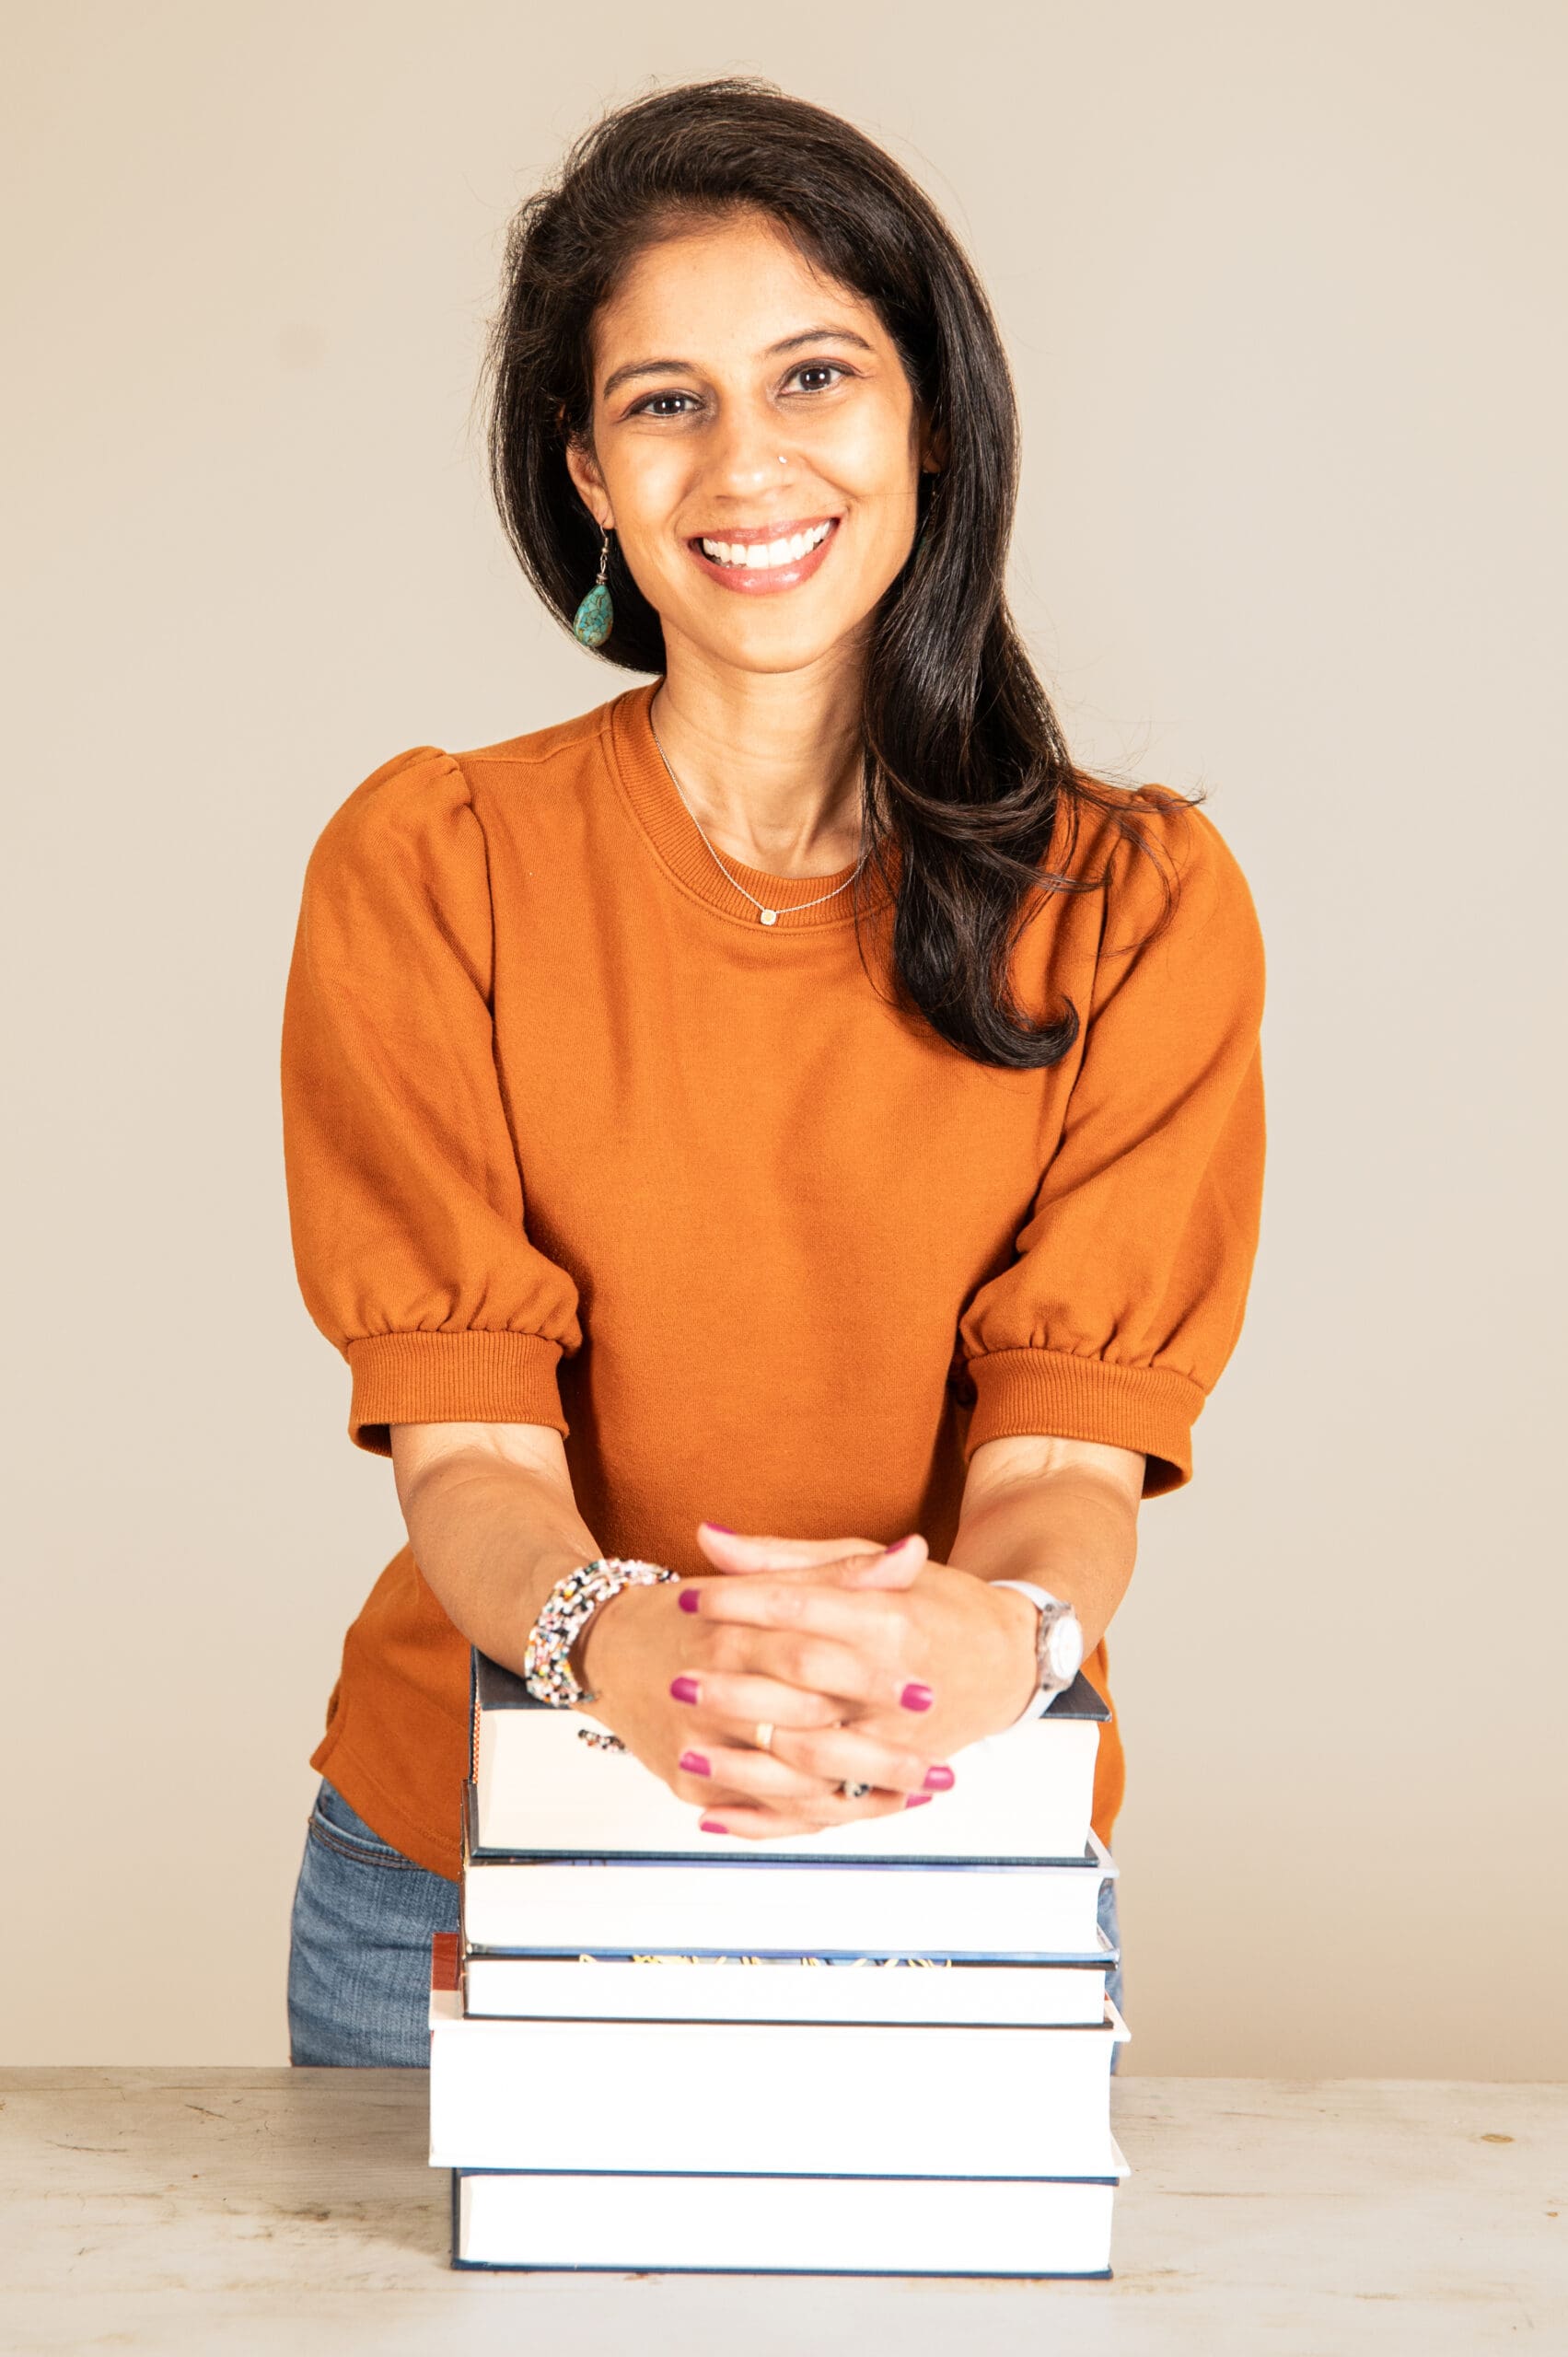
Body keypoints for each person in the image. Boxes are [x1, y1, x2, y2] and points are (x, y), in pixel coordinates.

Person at [281, 76, 1266, 2068]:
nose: (747, 462)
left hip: (949, 1860)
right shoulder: (428, 863)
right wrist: (611, 1643)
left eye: (814, 373)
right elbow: (472, 1447)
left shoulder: (1141, 899)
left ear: (928, 418)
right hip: (464, 1872)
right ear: (586, 469)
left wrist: (985, 1645)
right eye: (666, 400)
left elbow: (1066, 1461)